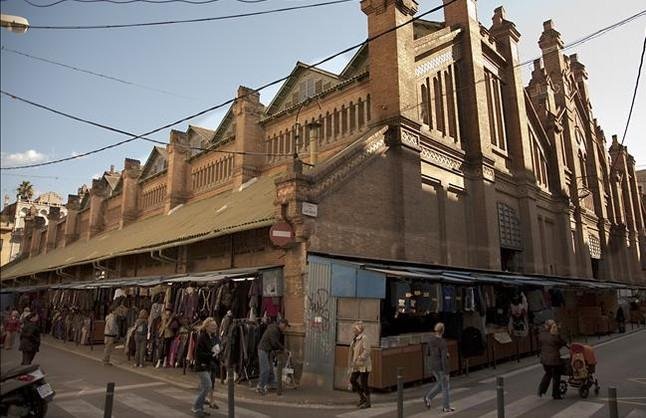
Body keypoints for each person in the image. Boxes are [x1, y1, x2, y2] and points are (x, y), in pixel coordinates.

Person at [424, 322, 455, 412]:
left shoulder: (430, 340)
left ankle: (428, 397)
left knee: (441, 385)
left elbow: (427, 353)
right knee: (445, 386)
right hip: (441, 366)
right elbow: (444, 359)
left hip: (433, 365)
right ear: (443, 331)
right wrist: (446, 372)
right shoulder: (442, 342)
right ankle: (446, 407)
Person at [192, 317, 219, 417]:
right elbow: (198, 354)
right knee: (208, 385)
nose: (214, 328)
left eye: (215, 326)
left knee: (205, 387)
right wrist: (211, 354)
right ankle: (196, 407)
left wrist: (215, 353)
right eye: (212, 326)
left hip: (207, 365)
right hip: (201, 366)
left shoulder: (211, 337)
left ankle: (200, 408)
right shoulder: (202, 337)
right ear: (207, 327)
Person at [256, 318, 289, 395]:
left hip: (267, 350)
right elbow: (274, 342)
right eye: (285, 326)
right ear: (281, 324)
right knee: (266, 369)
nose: (285, 328)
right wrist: (283, 349)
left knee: (270, 368)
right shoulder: (274, 330)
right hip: (263, 349)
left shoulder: (275, 329)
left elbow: (274, 342)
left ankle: (271, 383)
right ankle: (260, 386)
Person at [538, 319, 566, 400]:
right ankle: (556, 394)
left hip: (544, 359)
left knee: (548, 373)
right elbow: (562, 342)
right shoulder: (554, 336)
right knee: (556, 376)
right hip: (554, 360)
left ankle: (541, 390)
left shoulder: (542, 335)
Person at [348, 321, 372, 409]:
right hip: (357, 365)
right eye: (353, 329)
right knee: (352, 379)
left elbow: (367, 351)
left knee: (364, 383)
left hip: (364, 364)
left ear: (359, 330)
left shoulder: (364, 338)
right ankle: (362, 397)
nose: (353, 331)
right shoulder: (355, 338)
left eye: (355, 329)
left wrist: (360, 357)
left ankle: (368, 402)